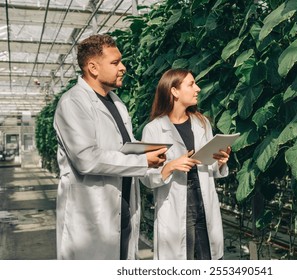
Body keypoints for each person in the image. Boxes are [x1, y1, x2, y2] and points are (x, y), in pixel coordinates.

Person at [53, 34, 166, 260]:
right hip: (92, 216)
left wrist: (149, 153)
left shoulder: (117, 103)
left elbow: (124, 147)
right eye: (115, 62)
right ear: (93, 67)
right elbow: (87, 159)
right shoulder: (73, 103)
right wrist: (143, 161)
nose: (123, 67)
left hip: (122, 207)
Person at [141, 68, 231, 260]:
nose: (197, 89)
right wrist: (170, 166)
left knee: (208, 257)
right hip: (176, 204)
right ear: (174, 91)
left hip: (203, 199)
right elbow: (146, 177)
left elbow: (210, 169)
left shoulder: (202, 123)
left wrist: (220, 162)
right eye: (191, 84)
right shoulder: (154, 129)